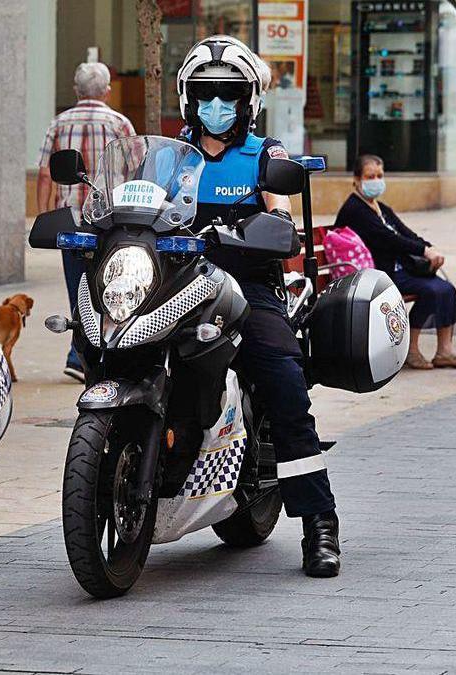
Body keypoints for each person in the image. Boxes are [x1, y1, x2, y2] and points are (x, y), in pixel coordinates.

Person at [176, 36, 341, 577]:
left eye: (228, 96)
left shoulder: (265, 154)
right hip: (176, 285)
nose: (215, 107)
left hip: (247, 286)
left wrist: (277, 226)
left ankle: (320, 523)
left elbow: (282, 211)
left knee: (283, 379)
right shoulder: (171, 153)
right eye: (205, 95)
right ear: (188, 100)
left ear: (248, 102)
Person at [36, 61, 136, 383]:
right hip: (110, 222)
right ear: (107, 91)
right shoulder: (120, 123)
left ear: (76, 90)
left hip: (72, 222)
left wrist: (45, 215)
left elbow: (43, 174)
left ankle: (79, 353)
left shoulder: (59, 123)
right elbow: (137, 171)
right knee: (110, 286)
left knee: (77, 287)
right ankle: (102, 351)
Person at [336, 155, 456, 369]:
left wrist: (429, 248)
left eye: (379, 176)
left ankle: (445, 351)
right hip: (376, 275)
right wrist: (423, 251)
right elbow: (389, 238)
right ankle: (411, 350)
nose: (376, 181)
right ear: (356, 179)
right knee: (432, 291)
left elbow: (405, 233)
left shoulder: (380, 208)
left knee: (446, 288)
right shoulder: (355, 209)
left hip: (399, 270)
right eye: (370, 176)